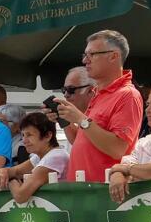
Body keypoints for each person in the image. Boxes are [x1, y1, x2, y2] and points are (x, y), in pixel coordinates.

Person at [53, 30, 142, 183]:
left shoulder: (128, 95)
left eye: (92, 54)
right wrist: (64, 118)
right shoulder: (99, 93)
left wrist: (81, 119)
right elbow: (78, 140)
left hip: (103, 193)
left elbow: (117, 149)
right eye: (85, 55)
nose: (85, 61)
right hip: (84, 190)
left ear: (114, 56)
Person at [0, 112, 70, 203]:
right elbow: (15, 171)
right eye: (23, 135)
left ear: (48, 136)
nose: (24, 141)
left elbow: (20, 196)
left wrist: (10, 179)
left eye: (29, 135)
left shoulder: (55, 157)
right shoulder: (41, 156)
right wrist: (3, 171)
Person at [58, 66, 96, 148]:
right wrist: (62, 118)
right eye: (64, 90)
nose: (65, 95)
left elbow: (114, 148)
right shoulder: (86, 114)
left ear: (90, 90)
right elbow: (77, 140)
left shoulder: (100, 112)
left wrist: (80, 119)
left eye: (71, 89)